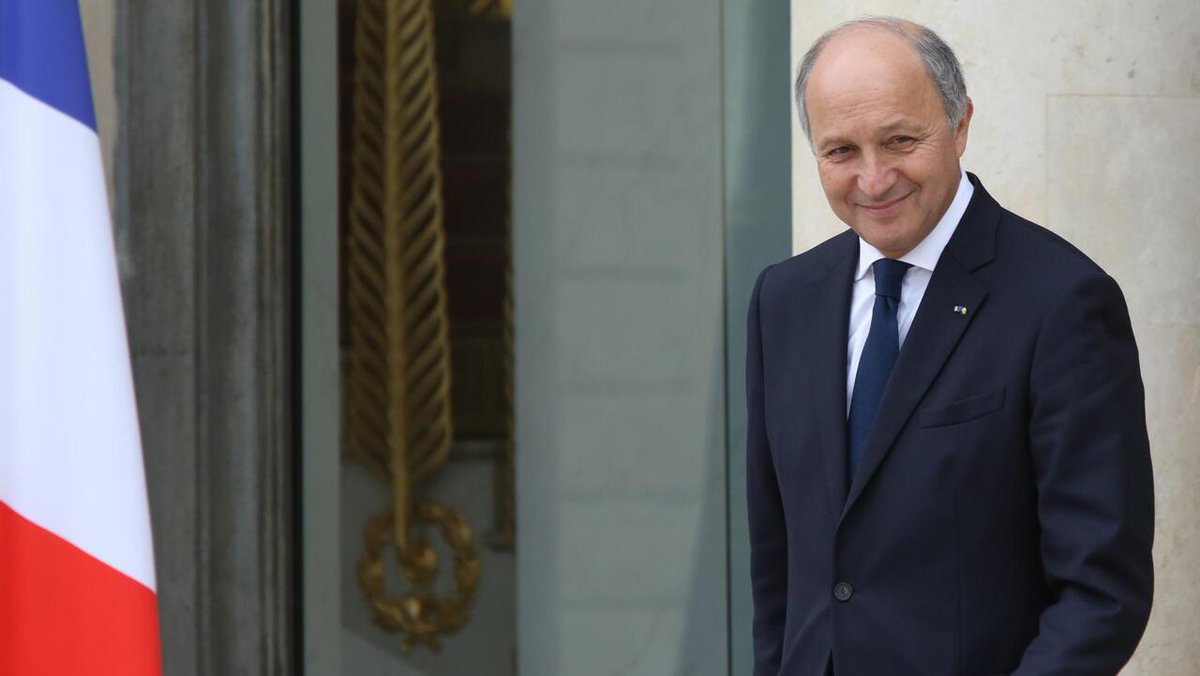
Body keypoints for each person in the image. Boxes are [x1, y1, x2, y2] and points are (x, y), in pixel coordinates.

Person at [745, 17, 1154, 676]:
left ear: (960, 124)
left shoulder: (1063, 302)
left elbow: (1102, 594)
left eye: (900, 140)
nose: (874, 179)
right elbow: (778, 571)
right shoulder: (782, 300)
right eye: (841, 151)